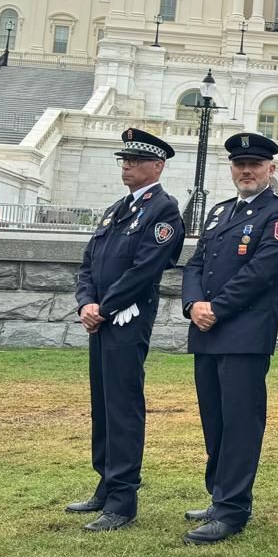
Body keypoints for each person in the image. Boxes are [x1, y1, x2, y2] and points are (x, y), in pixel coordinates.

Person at [179, 132, 278, 544]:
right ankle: (219, 494)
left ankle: (233, 508)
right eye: (239, 164)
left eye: (255, 165)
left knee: (241, 421)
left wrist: (216, 308)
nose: (246, 171)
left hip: (244, 332)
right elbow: (195, 263)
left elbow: (262, 269)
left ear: (271, 169)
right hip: (207, 330)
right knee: (214, 419)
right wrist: (194, 303)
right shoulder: (218, 212)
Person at [64, 128, 186, 532]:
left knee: (123, 406)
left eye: (136, 160)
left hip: (127, 319)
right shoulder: (117, 208)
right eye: (124, 159)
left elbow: (145, 269)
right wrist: (86, 303)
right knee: (102, 403)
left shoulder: (163, 210)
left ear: (158, 165)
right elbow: (88, 263)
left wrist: (106, 307)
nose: (127, 165)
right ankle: (105, 481)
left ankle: (123, 499)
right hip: (100, 319)